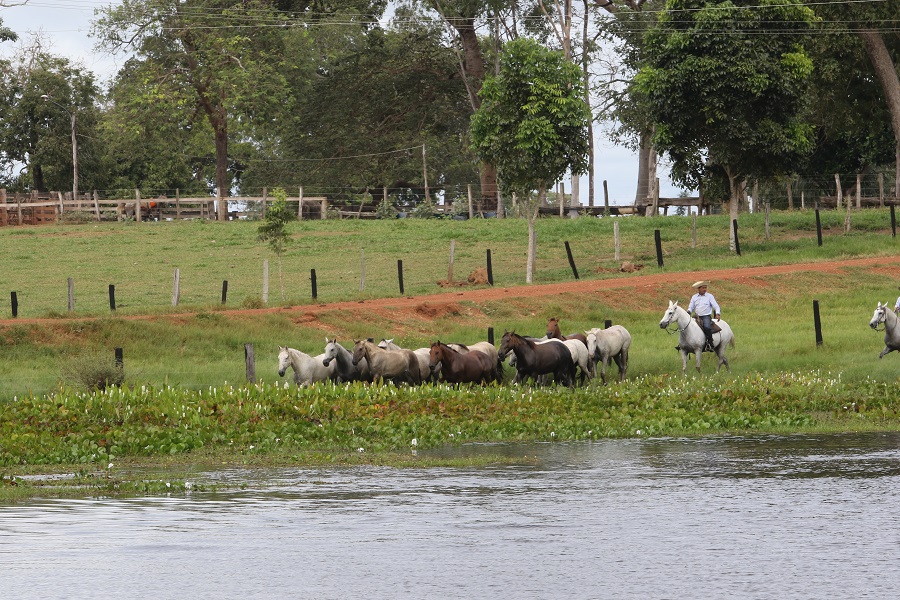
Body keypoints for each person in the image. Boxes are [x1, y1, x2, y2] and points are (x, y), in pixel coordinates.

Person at [688, 280, 721, 352]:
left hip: (706, 316)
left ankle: (710, 343)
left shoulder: (710, 296)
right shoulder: (694, 297)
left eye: (705, 288)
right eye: (703, 288)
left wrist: (718, 313)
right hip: (696, 316)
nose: (705, 289)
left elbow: (716, 306)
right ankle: (685, 344)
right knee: (687, 326)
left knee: (706, 327)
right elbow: (691, 307)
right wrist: (689, 311)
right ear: (699, 288)